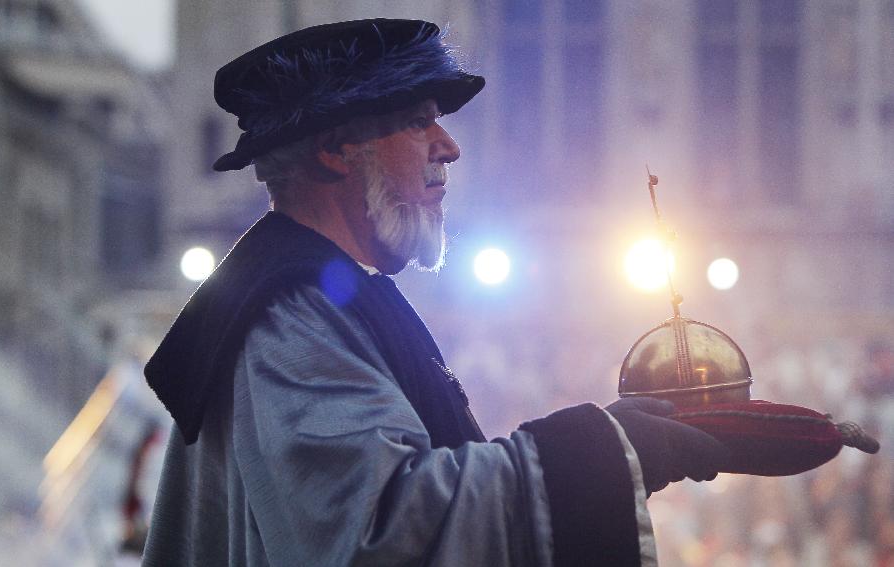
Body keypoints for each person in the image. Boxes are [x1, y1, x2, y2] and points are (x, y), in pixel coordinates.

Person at [142, 19, 728, 566]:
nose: (448, 146)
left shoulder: (322, 293)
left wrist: (615, 440)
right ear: (337, 147)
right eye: (418, 120)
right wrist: (604, 451)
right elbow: (378, 531)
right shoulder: (289, 316)